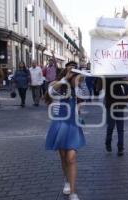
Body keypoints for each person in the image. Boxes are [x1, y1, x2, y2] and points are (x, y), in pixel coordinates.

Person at [45, 61, 86, 200]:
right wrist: (65, 79)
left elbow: (83, 101)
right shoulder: (57, 84)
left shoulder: (79, 88)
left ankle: (73, 192)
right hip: (59, 124)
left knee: (71, 158)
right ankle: (67, 181)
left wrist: (79, 109)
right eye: (71, 72)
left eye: (75, 74)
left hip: (73, 125)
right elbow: (50, 92)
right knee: (63, 157)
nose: (74, 76)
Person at [98, 77, 128, 156]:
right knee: (111, 126)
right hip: (110, 105)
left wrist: (126, 97)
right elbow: (98, 88)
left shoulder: (119, 74)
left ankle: (120, 147)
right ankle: (108, 142)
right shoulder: (105, 76)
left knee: (120, 128)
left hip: (119, 104)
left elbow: (126, 87)